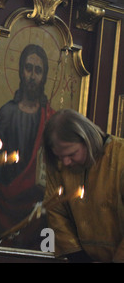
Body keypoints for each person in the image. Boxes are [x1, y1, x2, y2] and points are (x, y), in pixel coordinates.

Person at [0, 44, 55, 249]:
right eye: (28, 68)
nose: (32, 75)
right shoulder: (8, 112)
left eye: (38, 70)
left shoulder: (49, 117)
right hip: (5, 199)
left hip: (35, 205)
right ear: (21, 70)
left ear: (44, 75)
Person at [42, 108, 124, 263]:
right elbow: (55, 211)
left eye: (71, 154)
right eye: (60, 156)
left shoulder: (120, 157)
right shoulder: (59, 165)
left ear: (88, 139)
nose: (65, 162)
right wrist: (78, 257)